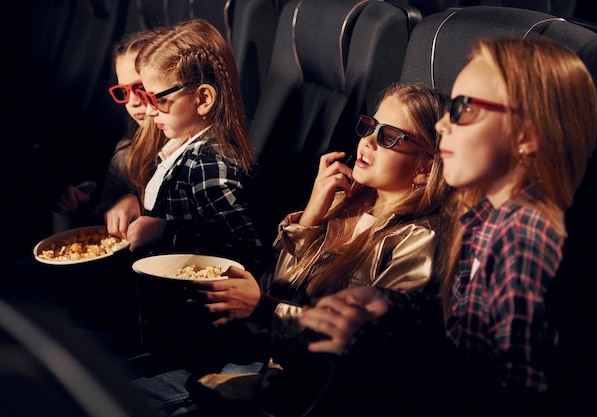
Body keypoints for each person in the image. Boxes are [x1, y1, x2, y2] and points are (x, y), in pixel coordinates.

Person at [296, 36, 597, 417]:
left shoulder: (525, 239)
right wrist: (389, 305)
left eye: (464, 109)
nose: (443, 125)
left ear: (526, 137)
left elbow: (510, 397)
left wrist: (370, 344)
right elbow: (461, 330)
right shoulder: (484, 219)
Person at [122, 82, 455, 416]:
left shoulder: (419, 239)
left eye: (389, 137)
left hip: (310, 395)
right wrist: (311, 217)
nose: (367, 141)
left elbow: (359, 348)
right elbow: (277, 288)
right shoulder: (346, 203)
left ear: (426, 167)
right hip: (266, 361)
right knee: (118, 387)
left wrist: (264, 309)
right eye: (370, 127)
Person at [119, 18, 264, 274]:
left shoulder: (209, 166)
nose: (150, 111)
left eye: (158, 99)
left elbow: (247, 251)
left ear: (203, 98)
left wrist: (166, 232)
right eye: (146, 98)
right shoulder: (177, 146)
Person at [52, 29, 164, 235]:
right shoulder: (125, 156)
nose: (132, 101)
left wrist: (140, 205)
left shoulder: (201, 153)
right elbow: (104, 234)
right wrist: (77, 207)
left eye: (140, 87)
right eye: (123, 91)